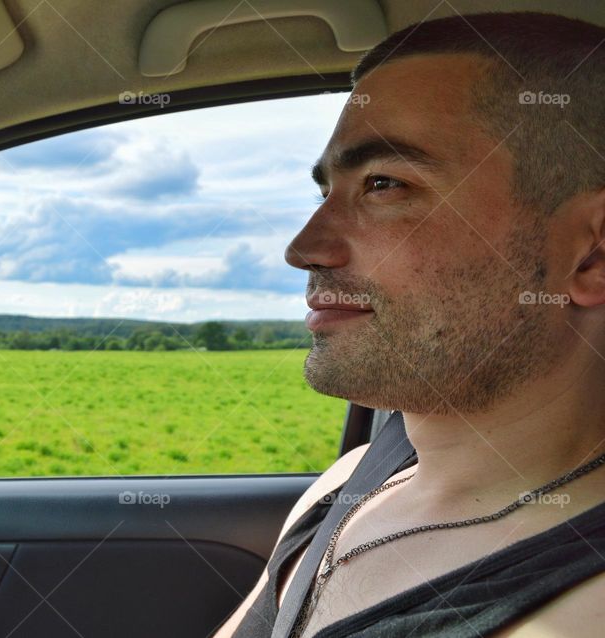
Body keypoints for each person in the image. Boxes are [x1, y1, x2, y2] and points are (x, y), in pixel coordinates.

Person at [215, 12, 605, 638]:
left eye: (384, 185)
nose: (304, 247)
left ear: (591, 254)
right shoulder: (355, 480)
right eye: (326, 194)